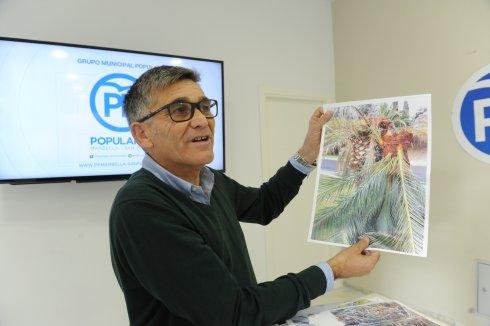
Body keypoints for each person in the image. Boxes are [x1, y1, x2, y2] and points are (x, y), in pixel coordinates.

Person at [109, 65, 380, 326]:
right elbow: (233, 314)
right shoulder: (142, 207)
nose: (202, 121)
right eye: (180, 110)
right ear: (142, 134)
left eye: (204, 107)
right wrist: (333, 270)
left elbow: (263, 205)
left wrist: (307, 153)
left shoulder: (209, 180)